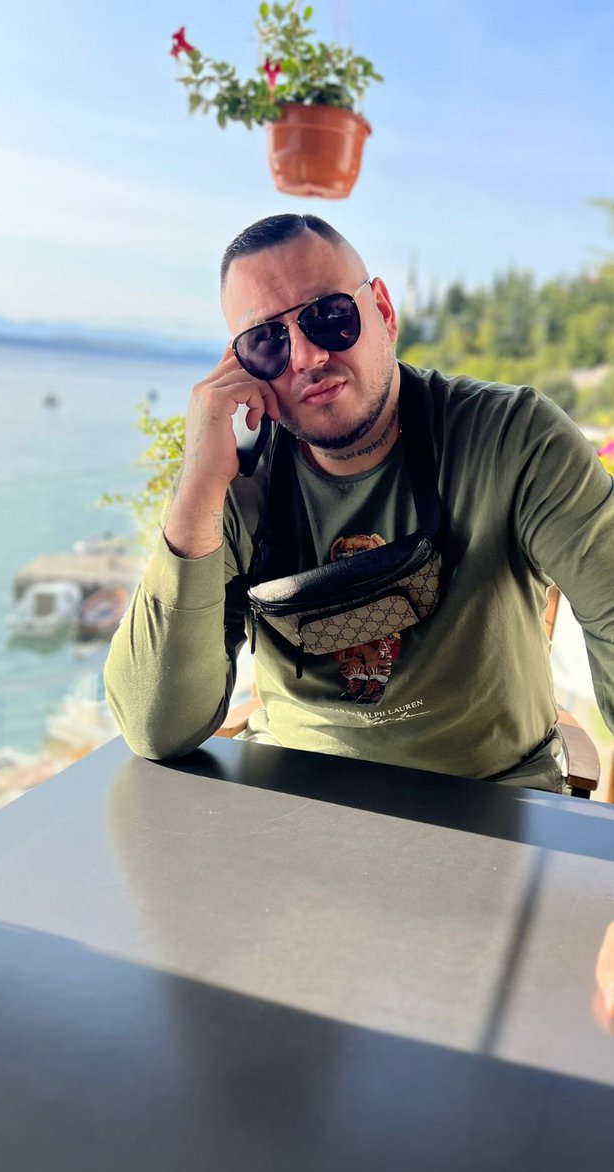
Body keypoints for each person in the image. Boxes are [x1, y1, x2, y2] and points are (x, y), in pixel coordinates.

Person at [105, 213, 614, 793]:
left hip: (488, 796)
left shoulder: (512, 439)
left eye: (328, 316)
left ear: (384, 312)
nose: (306, 357)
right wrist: (198, 486)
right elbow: (155, 727)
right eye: (267, 342)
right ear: (242, 364)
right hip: (292, 793)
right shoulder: (232, 485)